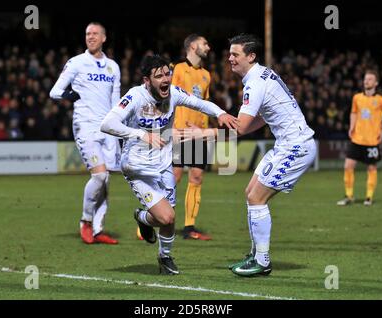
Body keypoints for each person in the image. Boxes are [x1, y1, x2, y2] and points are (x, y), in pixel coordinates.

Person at [180, 34, 317, 277]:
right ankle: (256, 255)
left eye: (235, 54)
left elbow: (240, 127)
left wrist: (202, 134)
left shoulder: (255, 83)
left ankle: (262, 261)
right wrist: (235, 130)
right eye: (230, 53)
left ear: (251, 56)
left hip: (296, 146)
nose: (230, 58)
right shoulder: (262, 75)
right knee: (250, 193)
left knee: (256, 198)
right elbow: (261, 118)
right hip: (286, 144)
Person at [100, 55, 237, 274]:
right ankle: (146, 222)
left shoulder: (173, 94)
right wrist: (140, 134)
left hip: (164, 164)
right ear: (147, 80)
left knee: (167, 219)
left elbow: (200, 103)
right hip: (138, 168)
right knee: (167, 217)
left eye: (167, 73)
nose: (166, 79)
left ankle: (163, 254)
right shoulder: (135, 96)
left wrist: (220, 113)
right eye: (159, 76)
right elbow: (107, 124)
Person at [50, 22, 121, 245]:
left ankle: (99, 230)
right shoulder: (77, 63)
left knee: (106, 179)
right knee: (99, 175)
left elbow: (116, 102)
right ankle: (86, 221)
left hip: (108, 127)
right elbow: (55, 92)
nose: (90, 37)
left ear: (104, 38)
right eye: (87, 34)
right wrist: (70, 95)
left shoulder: (113, 67)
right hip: (86, 125)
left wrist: (120, 129)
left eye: (94, 34)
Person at [171, 34, 213, 240]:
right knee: (173, 178)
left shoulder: (207, 75)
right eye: (205, 44)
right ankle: (153, 221)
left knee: (196, 177)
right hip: (179, 131)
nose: (208, 47)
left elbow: (205, 105)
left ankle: (189, 228)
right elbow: (165, 98)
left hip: (199, 134)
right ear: (193, 45)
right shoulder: (177, 69)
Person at [337, 70, 382, 206]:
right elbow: (354, 112)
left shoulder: (380, 100)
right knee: (348, 166)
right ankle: (349, 196)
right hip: (357, 139)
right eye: (365, 79)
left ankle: (369, 197)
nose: (366, 81)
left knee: (371, 168)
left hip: (372, 141)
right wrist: (351, 126)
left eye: (369, 79)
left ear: (376, 83)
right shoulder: (357, 97)